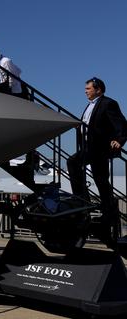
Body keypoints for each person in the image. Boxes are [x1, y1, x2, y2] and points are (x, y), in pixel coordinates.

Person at [67, 77, 127, 243]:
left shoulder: (108, 103)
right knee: (74, 163)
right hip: (88, 148)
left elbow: (121, 123)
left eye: (88, 88)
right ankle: (82, 198)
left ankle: (108, 209)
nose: (86, 91)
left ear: (98, 89)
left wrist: (119, 139)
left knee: (100, 180)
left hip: (99, 149)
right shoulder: (89, 105)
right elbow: (88, 123)